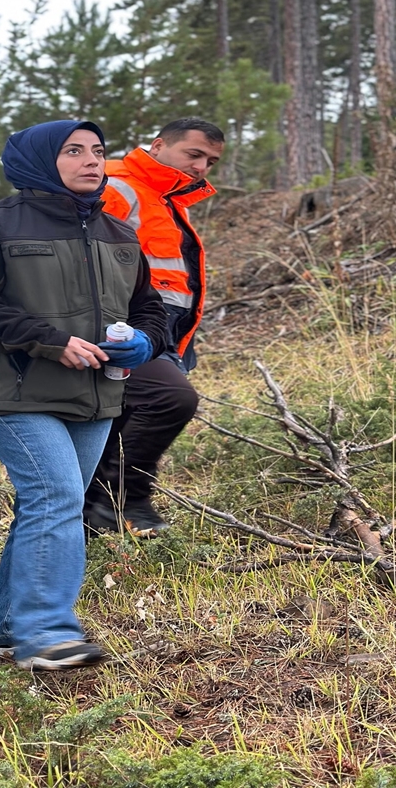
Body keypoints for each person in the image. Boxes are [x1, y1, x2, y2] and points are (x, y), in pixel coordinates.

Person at [0, 120, 166, 670]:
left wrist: (145, 342)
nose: (91, 161)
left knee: (47, 505)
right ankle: (46, 633)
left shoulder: (119, 234)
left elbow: (150, 310)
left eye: (97, 151)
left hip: (94, 395)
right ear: (40, 160)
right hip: (14, 390)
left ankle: (8, 630)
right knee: (59, 497)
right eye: (73, 151)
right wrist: (50, 341)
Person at [84, 117, 224, 536]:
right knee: (171, 399)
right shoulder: (118, 185)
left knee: (121, 417)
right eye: (193, 154)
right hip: (127, 326)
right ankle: (125, 499)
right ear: (160, 145)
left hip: (166, 332)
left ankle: (92, 517)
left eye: (211, 161)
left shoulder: (166, 198)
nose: (201, 167)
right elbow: (84, 260)